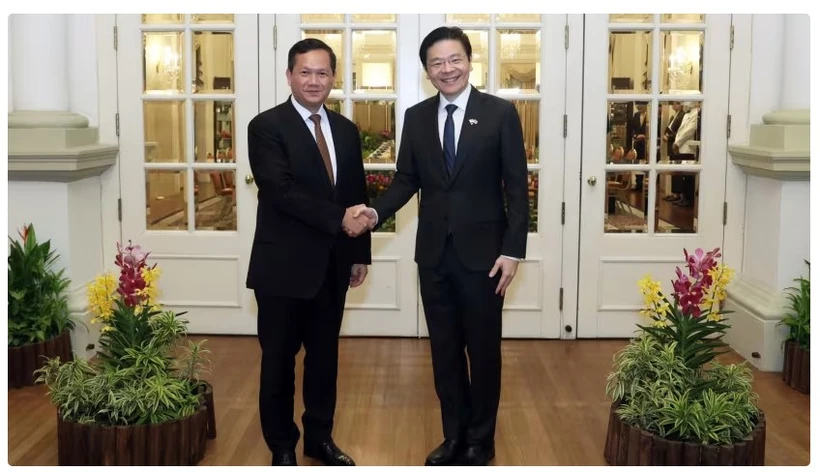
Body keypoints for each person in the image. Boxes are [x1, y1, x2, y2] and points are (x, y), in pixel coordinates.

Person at [353, 26, 529, 466]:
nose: (447, 69)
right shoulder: (415, 117)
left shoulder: (499, 114)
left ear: (470, 62)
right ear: (427, 71)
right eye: (437, 63)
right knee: (444, 351)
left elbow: (518, 189)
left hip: (485, 257)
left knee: (483, 352)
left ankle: (481, 440)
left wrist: (513, 250)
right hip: (433, 255)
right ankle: (454, 436)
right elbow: (407, 181)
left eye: (455, 60)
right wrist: (376, 214)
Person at [246, 38, 371, 467]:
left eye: (322, 73)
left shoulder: (347, 130)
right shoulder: (266, 126)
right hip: (282, 268)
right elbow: (280, 191)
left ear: (333, 78)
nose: (314, 80)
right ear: (289, 76)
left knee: (325, 361)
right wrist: (340, 220)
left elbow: (356, 193)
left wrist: (359, 253)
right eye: (305, 72)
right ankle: (282, 445)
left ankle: (320, 439)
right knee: (278, 363)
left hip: (333, 267)